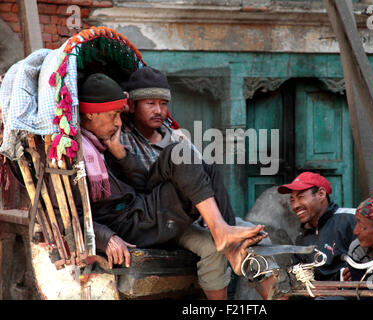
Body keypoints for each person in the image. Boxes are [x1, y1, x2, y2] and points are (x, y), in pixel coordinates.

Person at [76, 73, 267, 295]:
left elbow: (140, 184)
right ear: (90, 115)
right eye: (113, 115)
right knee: (182, 155)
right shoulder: (78, 153)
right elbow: (71, 216)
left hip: (142, 207)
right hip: (126, 225)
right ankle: (224, 236)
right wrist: (106, 237)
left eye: (120, 114)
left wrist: (120, 154)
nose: (118, 122)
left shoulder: (105, 141)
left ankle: (224, 234)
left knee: (198, 161)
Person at [228, 172, 357, 299]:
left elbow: (370, 260)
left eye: (301, 197)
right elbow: (296, 280)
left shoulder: (350, 219)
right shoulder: (302, 239)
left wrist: (354, 273)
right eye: (292, 200)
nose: (295, 206)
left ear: (321, 194)